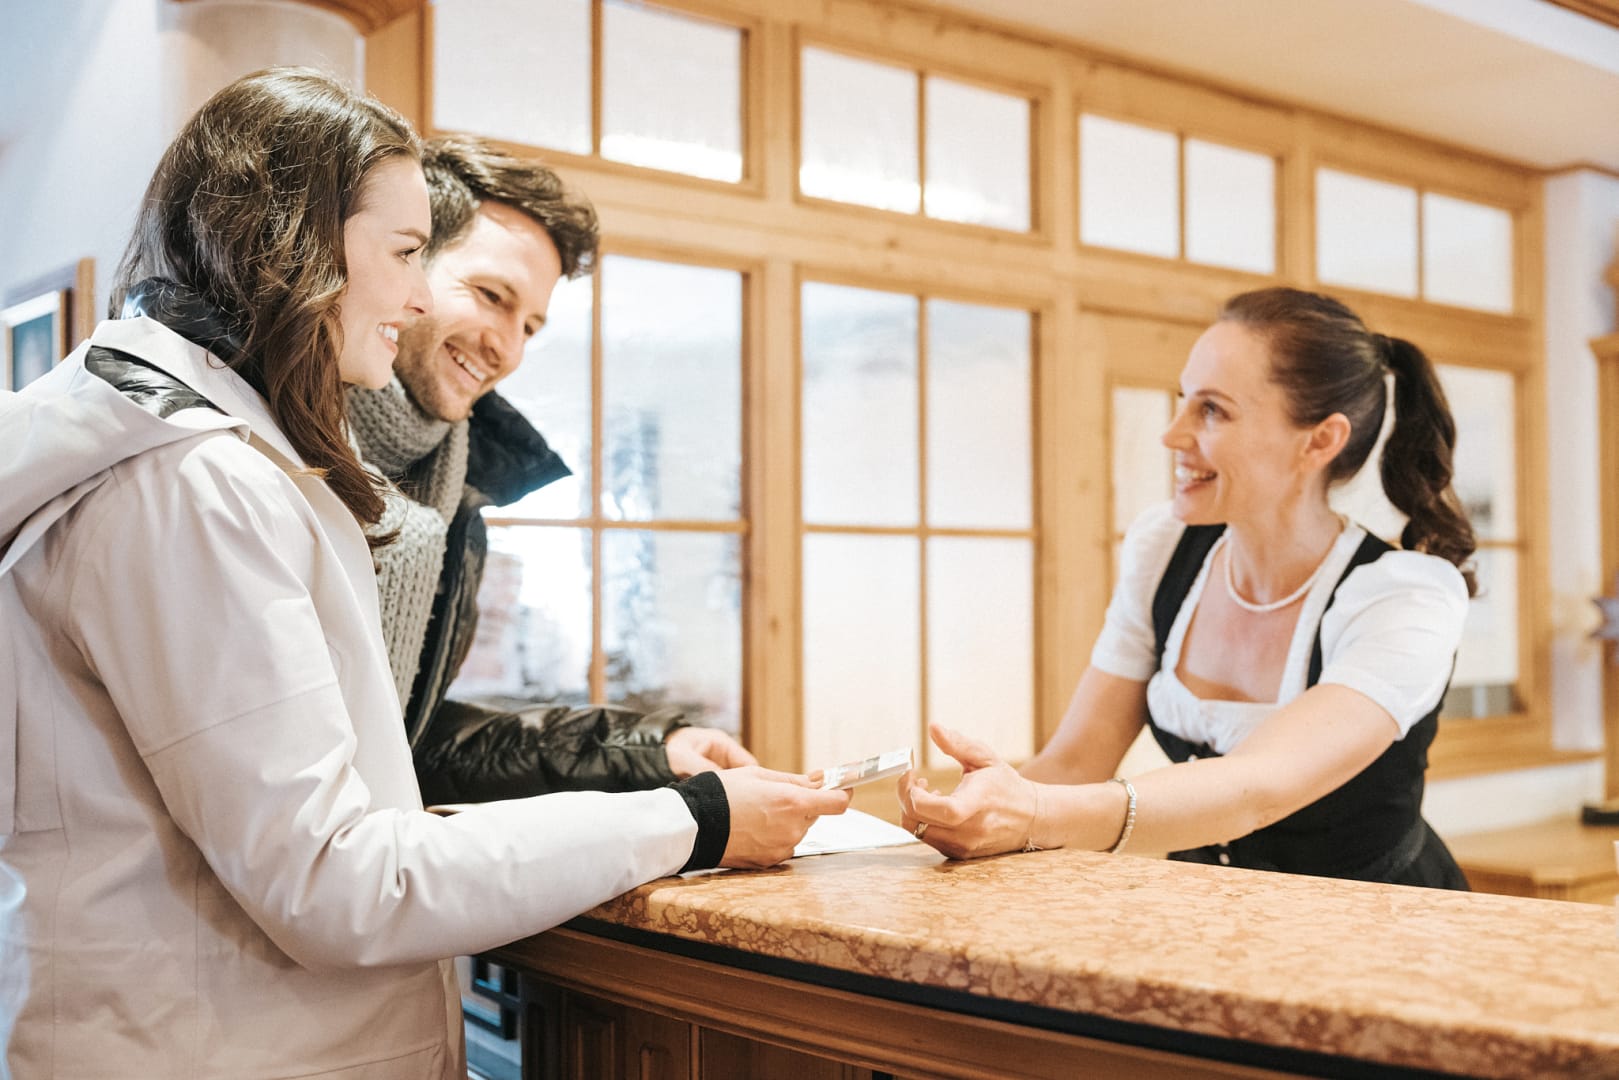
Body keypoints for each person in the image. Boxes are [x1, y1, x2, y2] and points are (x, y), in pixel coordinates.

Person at [0, 68, 848, 1079]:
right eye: (409, 254)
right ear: (293, 241)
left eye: (532, 324)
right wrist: (690, 822)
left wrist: (641, 756)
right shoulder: (198, 484)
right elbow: (332, 880)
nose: (417, 299)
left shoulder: (237, 463)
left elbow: (379, 748)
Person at [899, 286, 1474, 889]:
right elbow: (1076, 759)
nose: (1173, 435)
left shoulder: (1403, 597)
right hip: (1208, 911)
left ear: (1320, 440)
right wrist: (976, 808)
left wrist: (1034, 814)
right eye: (1183, 402)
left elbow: (1260, 786)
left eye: (1212, 410)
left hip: (1377, 920)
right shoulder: (1166, 550)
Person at [347, 134, 753, 807]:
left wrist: (649, 748)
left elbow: (406, 742)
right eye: (491, 295)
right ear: (406, 271)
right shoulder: (280, 447)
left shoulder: (452, 494)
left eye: (530, 326)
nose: (507, 349)